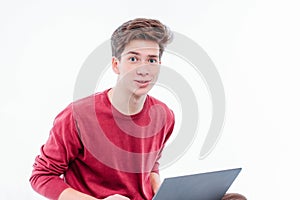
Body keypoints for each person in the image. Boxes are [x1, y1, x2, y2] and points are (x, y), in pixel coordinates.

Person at [30, 18, 246, 200]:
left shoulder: (164, 115)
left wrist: (159, 189)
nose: (144, 69)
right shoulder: (77, 116)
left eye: (151, 59)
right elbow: (41, 176)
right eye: (133, 59)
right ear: (116, 65)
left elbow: (150, 165)